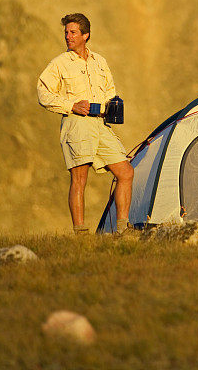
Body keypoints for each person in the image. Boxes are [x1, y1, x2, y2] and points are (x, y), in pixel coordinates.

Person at [37, 13, 134, 236]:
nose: (68, 37)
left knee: (126, 172)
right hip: (76, 124)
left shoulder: (100, 61)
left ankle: (122, 229)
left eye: (72, 32)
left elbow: (110, 90)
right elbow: (43, 93)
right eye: (66, 33)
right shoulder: (59, 63)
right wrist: (71, 105)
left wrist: (113, 105)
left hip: (100, 124)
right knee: (79, 179)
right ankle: (81, 234)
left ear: (85, 35)